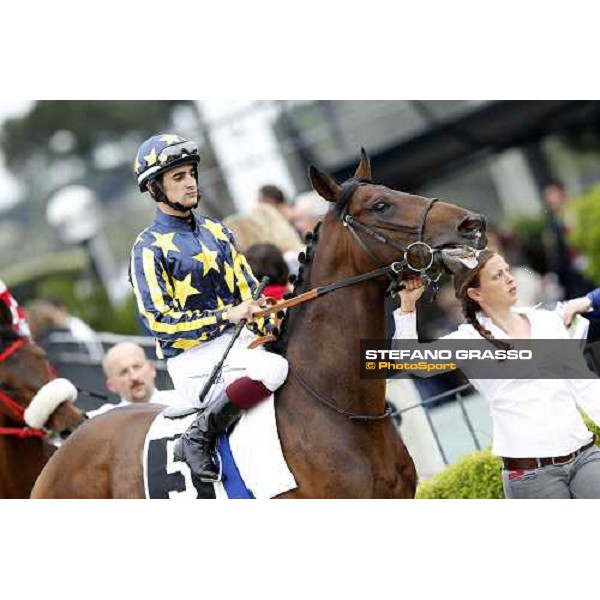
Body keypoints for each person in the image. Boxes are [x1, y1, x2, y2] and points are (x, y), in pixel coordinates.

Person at [130, 133, 288, 483]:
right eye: (178, 177)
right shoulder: (147, 248)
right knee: (275, 369)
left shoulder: (218, 231)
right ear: (155, 188)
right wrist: (225, 316)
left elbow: (249, 294)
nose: (190, 183)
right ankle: (198, 436)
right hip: (194, 359)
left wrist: (269, 320)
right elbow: (160, 322)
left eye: (191, 173)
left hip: (240, 345)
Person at [393, 249, 600, 499]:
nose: (509, 278)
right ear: (476, 293)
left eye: (507, 271)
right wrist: (407, 308)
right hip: (532, 475)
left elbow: (585, 386)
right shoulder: (469, 342)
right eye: (497, 276)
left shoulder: (546, 321)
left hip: (586, 457)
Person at [87, 342, 178, 418]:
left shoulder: (182, 403)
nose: (134, 377)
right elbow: (77, 423)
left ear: (151, 369)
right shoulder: (105, 419)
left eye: (137, 367)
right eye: (124, 372)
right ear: (111, 385)